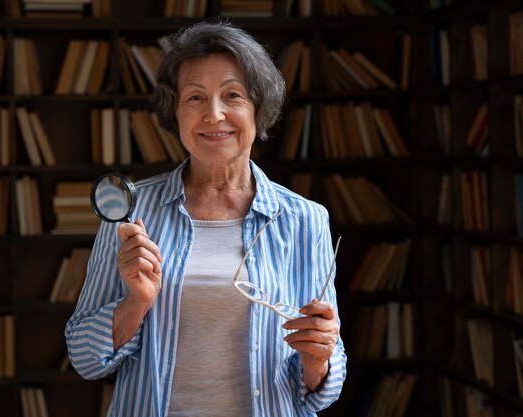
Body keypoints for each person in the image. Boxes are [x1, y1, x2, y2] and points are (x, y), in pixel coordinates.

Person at [65, 20, 347, 417]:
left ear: (258, 107)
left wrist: (319, 359)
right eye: (195, 98)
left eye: (232, 95)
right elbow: (84, 359)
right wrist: (136, 303)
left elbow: (322, 390)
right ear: (174, 111)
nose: (214, 115)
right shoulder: (131, 212)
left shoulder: (305, 219)